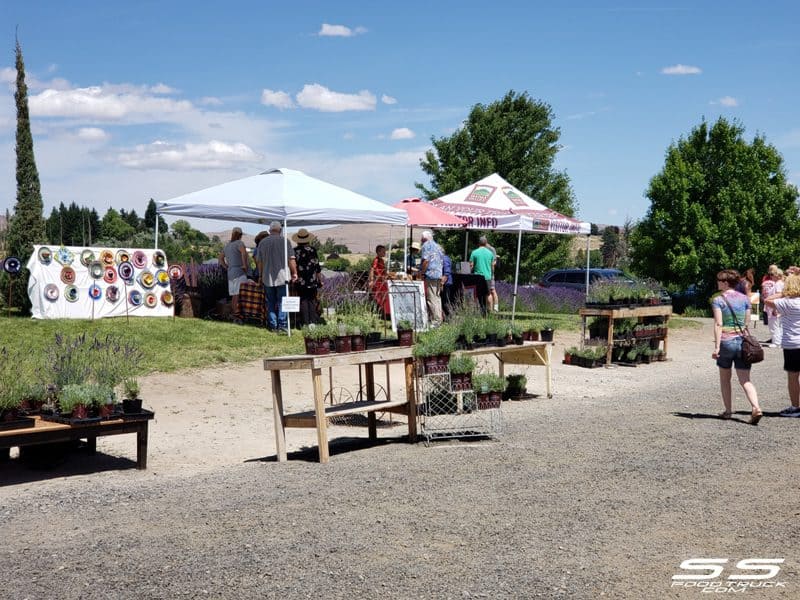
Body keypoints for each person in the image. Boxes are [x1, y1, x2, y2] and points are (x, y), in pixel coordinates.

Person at [711, 269, 763, 424]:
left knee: (725, 379)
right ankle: (756, 407)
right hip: (741, 342)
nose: (718, 282)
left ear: (726, 283)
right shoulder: (745, 299)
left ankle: (728, 411)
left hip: (726, 342)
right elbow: (746, 323)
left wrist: (717, 347)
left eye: (719, 280)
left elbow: (719, 324)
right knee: (745, 379)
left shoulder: (718, 300)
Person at [765, 274, 800, 416]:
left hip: (792, 344)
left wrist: (782, 293)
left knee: (793, 377)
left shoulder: (785, 302)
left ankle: (795, 407)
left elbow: (767, 300)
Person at [255, 221, 298, 333]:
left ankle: (273, 325)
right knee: (282, 301)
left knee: (270, 301)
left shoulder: (262, 242)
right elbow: (291, 259)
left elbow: (259, 261)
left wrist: (260, 275)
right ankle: (282, 325)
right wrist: (294, 273)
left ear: (270, 230)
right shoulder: (285, 241)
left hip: (267, 276)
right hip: (282, 276)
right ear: (280, 230)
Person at [218, 227, 250, 324]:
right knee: (238, 294)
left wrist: (226, 267)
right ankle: (237, 316)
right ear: (240, 235)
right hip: (239, 271)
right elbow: (243, 253)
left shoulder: (227, 246)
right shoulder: (240, 243)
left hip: (230, 271)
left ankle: (233, 314)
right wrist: (244, 265)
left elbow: (220, 258)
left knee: (233, 295)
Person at [292, 228, 323, 326]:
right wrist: (320, 280)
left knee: (303, 300)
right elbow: (317, 267)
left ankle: (305, 322)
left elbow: (292, 265)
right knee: (312, 300)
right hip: (312, 280)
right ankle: (312, 322)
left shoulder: (294, 251)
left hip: (300, 280)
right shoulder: (313, 250)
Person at [418, 230, 444, 327]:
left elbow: (426, 261)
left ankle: (435, 321)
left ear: (424, 238)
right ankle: (439, 319)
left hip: (431, 274)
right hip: (438, 274)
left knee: (431, 298)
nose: (420, 240)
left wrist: (422, 273)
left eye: (421, 238)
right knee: (437, 298)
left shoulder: (426, 245)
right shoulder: (438, 246)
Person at [469, 236, 495, 312]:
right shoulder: (490, 253)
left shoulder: (474, 252)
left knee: (477, 294)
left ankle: (478, 310)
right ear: (486, 243)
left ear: (479, 243)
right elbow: (492, 266)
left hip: (477, 277)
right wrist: (492, 274)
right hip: (487, 276)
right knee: (488, 294)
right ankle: (490, 311)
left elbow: (471, 265)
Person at [760, 265, 784, 347]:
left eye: (772, 275)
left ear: (777, 276)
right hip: (775, 307)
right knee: (777, 325)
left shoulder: (778, 284)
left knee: (774, 325)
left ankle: (776, 342)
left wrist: (774, 308)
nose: (771, 276)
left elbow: (779, 295)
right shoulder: (779, 283)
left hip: (774, 307)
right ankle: (778, 341)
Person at [368, 245, 390, 317]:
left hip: (382, 281)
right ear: (378, 252)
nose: (385, 253)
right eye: (383, 251)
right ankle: (377, 311)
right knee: (378, 296)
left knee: (383, 296)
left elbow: (384, 271)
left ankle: (383, 311)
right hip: (377, 281)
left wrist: (387, 275)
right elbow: (372, 269)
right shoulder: (376, 260)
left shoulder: (382, 260)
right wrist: (371, 280)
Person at [485, 239, 499, 312]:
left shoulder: (491, 249)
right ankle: (488, 308)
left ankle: (496, 308)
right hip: (485, 273)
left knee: (492, 290)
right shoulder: (483, 249)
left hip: (490, 273)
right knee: (487, 292)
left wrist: (492, 271)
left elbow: (494, 262)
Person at [441, 252, 454, 319]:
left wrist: (442, 282)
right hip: (445, 282)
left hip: (446, 283)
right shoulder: (443, 258)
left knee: (446, 301)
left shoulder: (445, 258)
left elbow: (447, 272)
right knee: (444, 301)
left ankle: (449, 317)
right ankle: (446, 317)